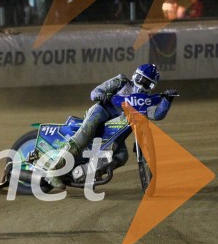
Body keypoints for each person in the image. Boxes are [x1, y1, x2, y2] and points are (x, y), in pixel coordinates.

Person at [44, 64, 177, 189]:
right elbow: (95, 92)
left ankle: (88, 173)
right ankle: (53, 172)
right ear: (136, 76)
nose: (143, 85)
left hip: (118, 126)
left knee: (121, 156)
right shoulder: (121, 82)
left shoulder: (143, 101)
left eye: (148, 84)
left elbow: (157, 114)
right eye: (142, 80)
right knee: (84, 136)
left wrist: (167, 100)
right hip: (102, 111)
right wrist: (104, 96)